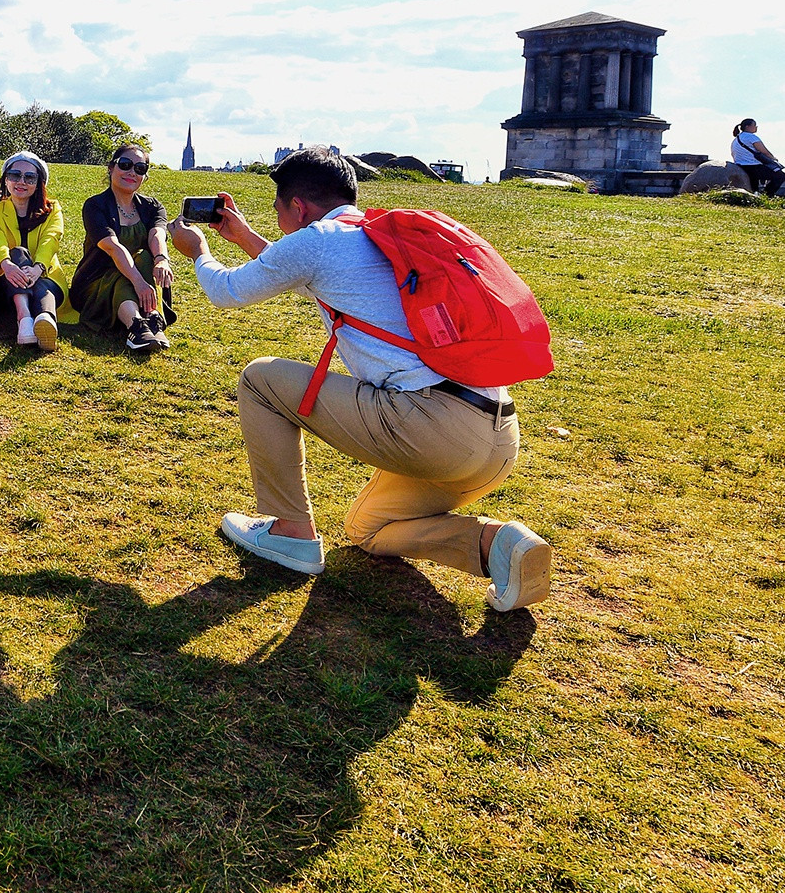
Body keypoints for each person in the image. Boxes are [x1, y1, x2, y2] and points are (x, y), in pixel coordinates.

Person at [165, 146, 551, 612]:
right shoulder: (375, 233)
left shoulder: (317, 242)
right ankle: (498, 545)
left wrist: (198, 251)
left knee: (260, 381)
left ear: (297, 207)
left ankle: (290, 531)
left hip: (431, 427)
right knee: (368, 528)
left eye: (277, 209)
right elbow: (300, 268)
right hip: (494, 437)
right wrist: (243, 234)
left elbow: (227, 291)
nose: (277, 217)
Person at [66, 144, 174, 353]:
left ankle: (152, 320)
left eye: (140, 168)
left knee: (145, 257)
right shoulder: (95, 206)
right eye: (125, 165)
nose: (132, 172)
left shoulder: (152, 206)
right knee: (122, 274)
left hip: (141, 280)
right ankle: (137, 325)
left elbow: (157, 233)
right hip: (96, 282)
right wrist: (138, 282)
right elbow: (113, 247)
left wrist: (162, 259)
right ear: (111, 168)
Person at [0, 150, 75, 351]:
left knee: (42, 285)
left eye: (29, 177)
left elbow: (51, 239)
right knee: (17, 252)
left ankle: (43, 320)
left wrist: (38, 268)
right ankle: (26, 317)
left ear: (39, 183)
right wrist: (7, 264)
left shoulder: (53, 208)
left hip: (45, 276)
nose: (21, 181)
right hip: (5, 281)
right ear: (6, 180)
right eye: (14, 175)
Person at [731, 119, 785, 197]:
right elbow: (764, 151)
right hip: (753, 166)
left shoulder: (736, 139)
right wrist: (773, 159)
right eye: (754, 125)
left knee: (754, 187)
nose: (756, 127)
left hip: (740, 165)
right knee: (780, 175)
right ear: (747, 127)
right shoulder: (751, 137)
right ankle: (767, 195)